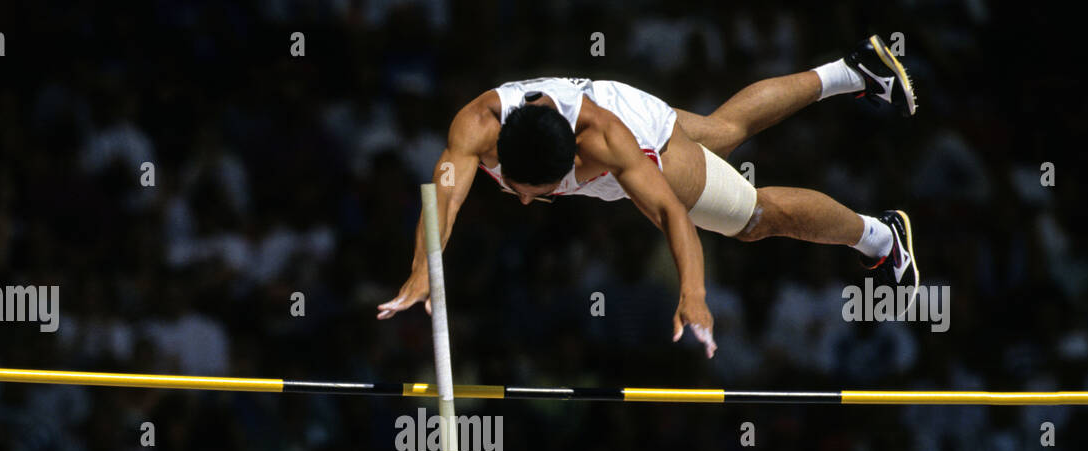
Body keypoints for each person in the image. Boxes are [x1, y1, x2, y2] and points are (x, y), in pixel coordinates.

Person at [378, 36, 919, 356]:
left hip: (638, 128)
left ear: (571, 164)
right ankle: (852, 71)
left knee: (752, 217)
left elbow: (670, 214)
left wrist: (694, 292)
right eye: (519, 191)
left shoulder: (615, 147)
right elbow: (445, 196)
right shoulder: (475, 124)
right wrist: (424, 268)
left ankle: (879, 236)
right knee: (722, 131)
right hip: (608, 99)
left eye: (533, 194)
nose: (522, 202)